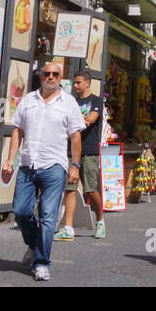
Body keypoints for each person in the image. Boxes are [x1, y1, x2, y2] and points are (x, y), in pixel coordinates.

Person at [2, 63, 85, 281]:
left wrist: (75, 166)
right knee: (20, 211)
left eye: (55, 74)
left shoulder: (69, 103)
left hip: (55, 167)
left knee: (48, 217)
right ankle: (34, 243)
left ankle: (41, 262)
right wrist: (10, 159)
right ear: (40, 75)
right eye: (46, 73)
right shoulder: (28, 100)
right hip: (28, 165)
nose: (50, 77)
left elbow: (76, 136)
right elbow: (17, 130)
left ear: (60, 78)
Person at [55, 72, 104, 241]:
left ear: (87, 83)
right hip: (71, 150)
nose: (75, 86)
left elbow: (90, 119)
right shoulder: (71, 102)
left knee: (90, 190)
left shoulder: (96, 101)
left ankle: (100, 220)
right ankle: (68, 228)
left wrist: (78, 120)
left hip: (89, 150)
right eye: (74, 83)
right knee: (70, 188)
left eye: (78, 83)